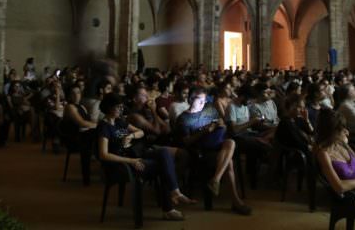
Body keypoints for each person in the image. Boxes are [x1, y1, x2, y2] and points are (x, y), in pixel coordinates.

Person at [97, 93, 194, 221]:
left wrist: (131, 136)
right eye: (118, 107)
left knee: (164, 152)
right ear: (109, 107)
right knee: (163, 165)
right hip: (121, 163)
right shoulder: (104, 127)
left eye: (121, 107)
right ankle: (169, 208)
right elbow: (103, 155)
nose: (121, 110)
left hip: (133, 154)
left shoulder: (119, 121)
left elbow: (140, 132)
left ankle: (175, 192)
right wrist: (131, 161)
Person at [176, 86, 252, 215]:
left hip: (217, 142)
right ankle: (235, 201)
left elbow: (220, 120)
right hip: (201, 149)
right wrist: (204, 131)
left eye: (204, 100)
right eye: (200, 100)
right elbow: (186, 142)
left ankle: (216, 179)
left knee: (231, 142)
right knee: (229, 163)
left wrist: (219, 124)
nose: (203, 103)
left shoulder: (209, 108)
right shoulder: (183, 118)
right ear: (190, 99)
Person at [61, 84, 97, 185]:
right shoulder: (69, 107)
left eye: (78, 92)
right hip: (73, 139)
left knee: (101, 136)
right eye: (73, 93)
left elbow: (89, 122)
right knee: (94, 137)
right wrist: (98, 125)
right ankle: (87, 177)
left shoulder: (82, 106)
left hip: (83, 135)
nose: (76, 95)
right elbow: (81, 123)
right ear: (69, 96)